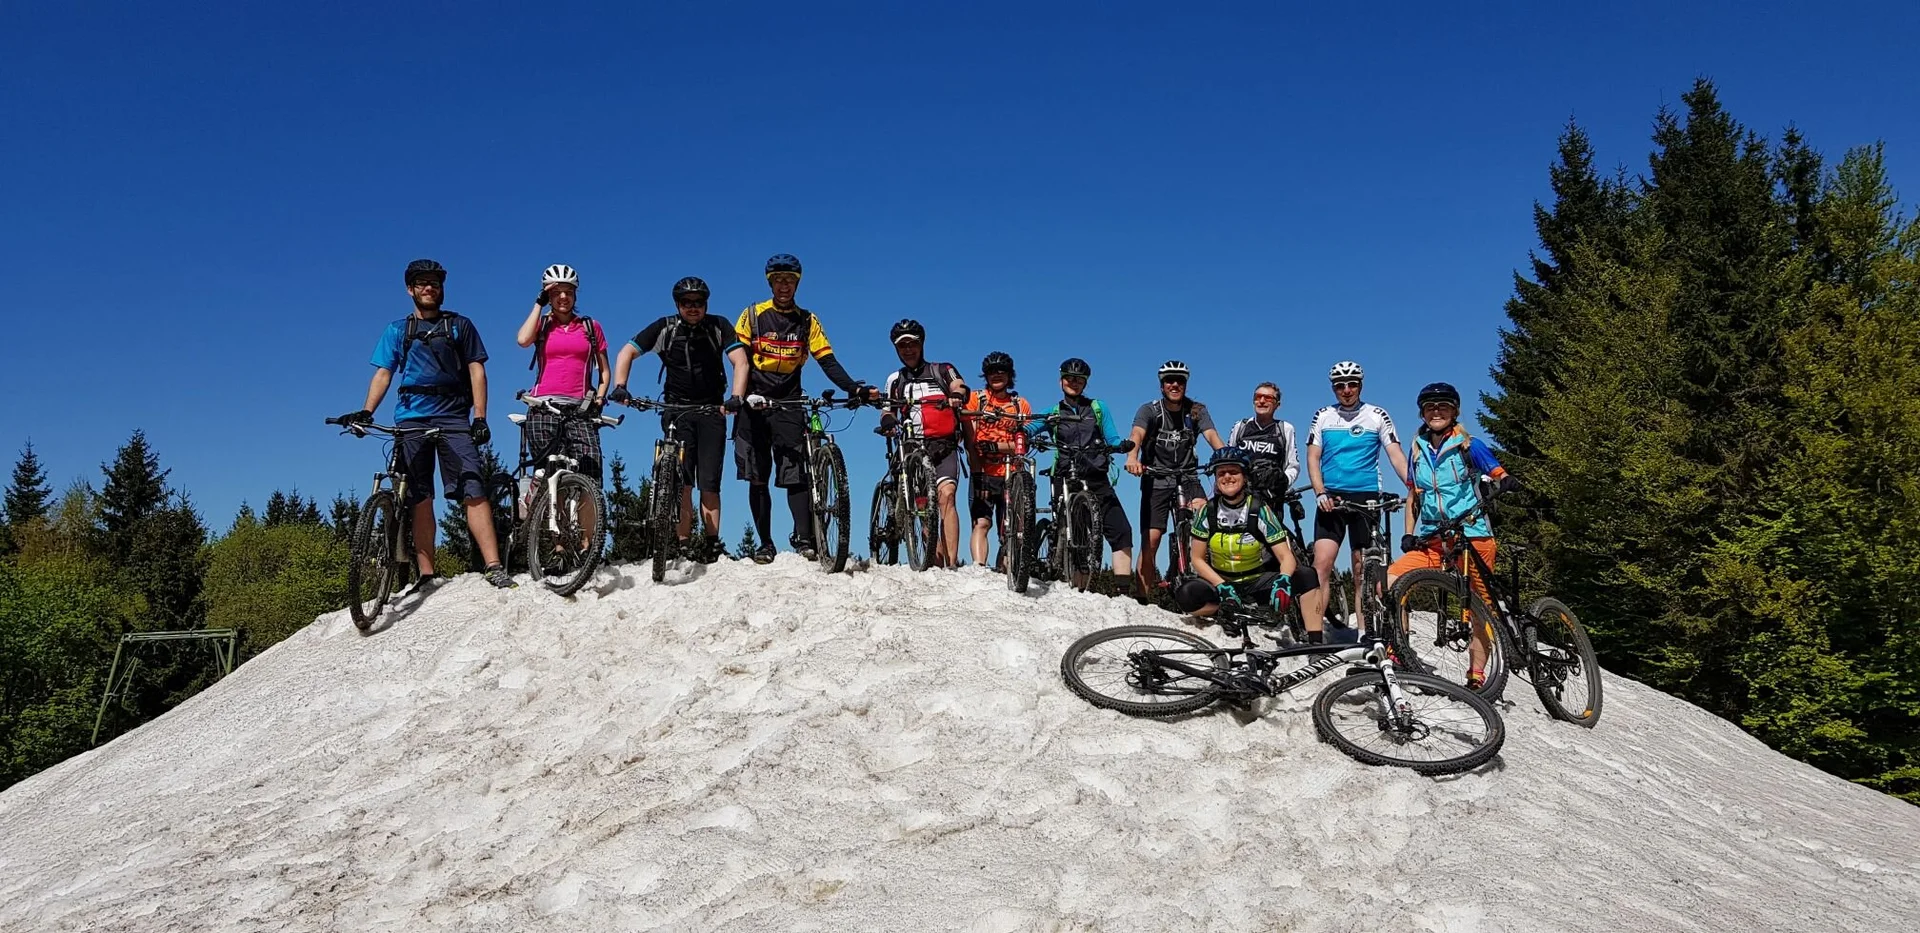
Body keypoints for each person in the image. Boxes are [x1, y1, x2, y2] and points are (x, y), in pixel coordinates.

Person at [340, 259, 515, 589]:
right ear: (410, 289)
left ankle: (493, 566)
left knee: (473, 489)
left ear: (442, 289)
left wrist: (480, 417)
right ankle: (427, 575)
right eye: (421, 283)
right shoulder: (397, 330)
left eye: (434, 283)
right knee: (419, 496)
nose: (429, 288)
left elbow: (477, 370)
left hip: (453, 416)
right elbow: (383, 373)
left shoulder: (460, 326)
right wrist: (366, 411)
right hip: (411, 418)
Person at [729, 253, 876, 563]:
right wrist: (740, 397)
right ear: (770, 283)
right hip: (754, 401)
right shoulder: (753, 315)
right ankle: (765, 543)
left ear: (797, 284)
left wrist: (854, 388)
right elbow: (739, 359)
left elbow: (827, 360)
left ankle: (805, 540)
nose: (784, 286)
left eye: (790, 281)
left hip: (789, 401)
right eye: (778, 280)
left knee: (795, 473)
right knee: (758, 476)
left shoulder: (808, 320)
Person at [610, 276, 748, 562]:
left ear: (706, 304)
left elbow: (740, 360)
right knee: (681, 481)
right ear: (678, 304)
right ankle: (683, 545)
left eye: (699, 302)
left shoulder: (718, 326)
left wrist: (736, 396)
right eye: (687, 303)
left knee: (709, 482)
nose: (693, 308)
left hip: (712, 410)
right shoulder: (665, 328)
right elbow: (627, 351)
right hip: (676, 410)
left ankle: (711, 544)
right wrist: (620, 385)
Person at [1388, 382, 1516, 689]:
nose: (1436, 412)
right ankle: (1398, 653)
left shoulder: (1469, 445)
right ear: (1422, 413)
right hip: (1435, 538)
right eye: (1430, 407)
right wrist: (1408, 533)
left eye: (1443, 406)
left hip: (1473, 534)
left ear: (1454, 411)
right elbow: (1413, 496)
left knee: (1479, 606)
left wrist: (1506, 481)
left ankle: (1477, 675)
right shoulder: (1417, 449)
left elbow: (1498, 473)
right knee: (1392, 580)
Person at [1303, 360, 1411, 635]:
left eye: (1352, 384)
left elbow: (1395, 453)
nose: (1347, 390)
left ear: (1360, 385)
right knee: (1321, 565)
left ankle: (1364, 633)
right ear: (1333, 388)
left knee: (1362, 568)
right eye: (1340, 385)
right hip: (1331, 498)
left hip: (1366, 497)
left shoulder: (1377, 415)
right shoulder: (1323, 415)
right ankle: (1316, 635)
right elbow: (1313, 458)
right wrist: (1319, 492)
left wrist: (1412, 484)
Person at [1174, 446, 1319, 626]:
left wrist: (1284, 579)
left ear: (1245, 477)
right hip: (1222, 583)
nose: (1227, 477)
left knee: (1307, 576)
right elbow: (1197, 559)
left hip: (1257, 581)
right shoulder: (1207, 512)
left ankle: (1315, 642)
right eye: (1221, 473)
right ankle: (1226, 611)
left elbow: (1285, 556)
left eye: (1234, 472)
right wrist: (1221, 585)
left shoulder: (1259, 509)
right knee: (1186, 594)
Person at [1026, 357, 1135, 590]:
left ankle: (1124, 592)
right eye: (1069, 378)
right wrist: (1022, 431)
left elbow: (1112, 436)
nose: (1073, 382)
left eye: (1079, 379)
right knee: (1077, 535)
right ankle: (1077, 587)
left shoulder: (1097, 408)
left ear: (1085, 383)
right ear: (1061, 381)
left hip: (1096, 475)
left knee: (1122, 531)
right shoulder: (1054, 412)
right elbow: (1032, 426)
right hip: (1065, 477)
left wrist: (1120, 445)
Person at [1124, 360, 1224, 593]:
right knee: (1152, 540)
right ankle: (1142, 599)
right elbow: (1137, 434)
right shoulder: (1149, 410)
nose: (1175, 384)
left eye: (1180, 380)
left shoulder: (1197, 410)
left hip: (1188, 477)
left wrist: (1226, 458)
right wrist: (1132, 458)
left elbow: (1212, 436)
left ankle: (1209, 589)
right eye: (1170, 380)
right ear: (1162, 386)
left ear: (1186, 384)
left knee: (1204, 518)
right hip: (1156, 477)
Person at [878, 319, 968, 567]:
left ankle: (951, 564)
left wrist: (957, 396)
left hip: (944, 445)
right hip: (912, 448)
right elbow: (887, 411)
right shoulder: (895, 380)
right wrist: (887, 422)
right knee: (925, 507)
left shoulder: (942, 369)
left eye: (912, 344)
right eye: (902, 346)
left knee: (947, 497)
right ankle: (935, 562)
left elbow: (958, 385)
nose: (908, 350)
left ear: (922, 344)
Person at [962, 352, 1032, 569]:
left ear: (1010, 375)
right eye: (991, 372)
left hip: (1012, 475)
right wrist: (977, 474)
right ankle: (979, 567)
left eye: (1001, 371)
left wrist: (997, 447)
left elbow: (1024, 444)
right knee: (981, 522)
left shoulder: (1020, 405)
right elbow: (970, 441)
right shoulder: (976, 399)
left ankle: (1007, 572)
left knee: (1010, 529)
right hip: (983, 471)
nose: (996, 376)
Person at [1226, 381, 1300, 505]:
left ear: (1278, 404)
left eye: (1268, 398)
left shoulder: (1285, 429)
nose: (1261, 401)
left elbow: (1293, 466)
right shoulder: (1240, 426)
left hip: (1271, 500)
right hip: (1240, 497)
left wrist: (1282, 482)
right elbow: (1228, 460)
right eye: (1257, 397)